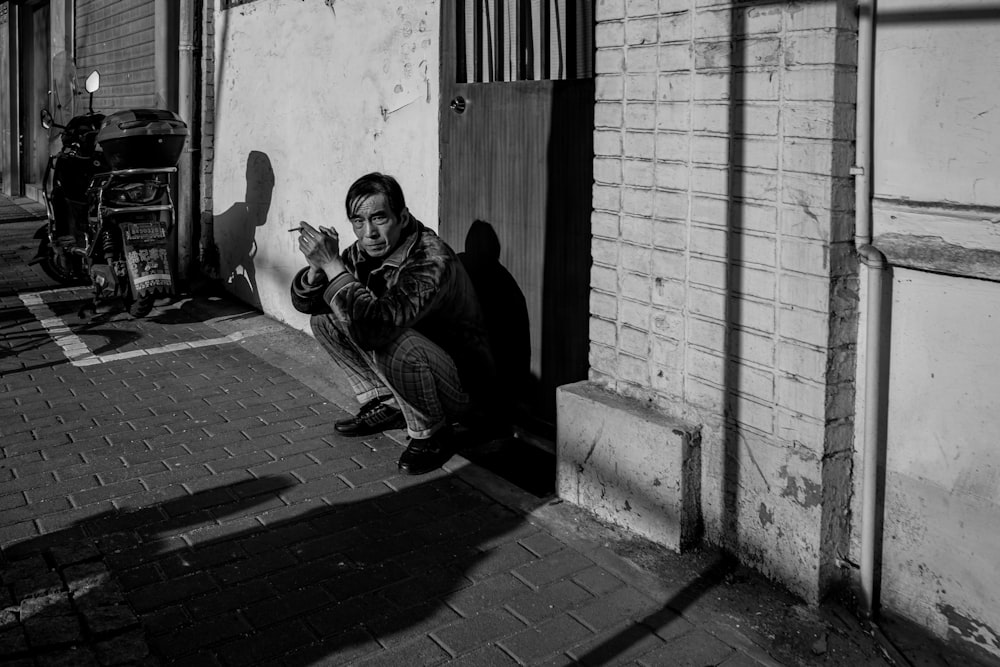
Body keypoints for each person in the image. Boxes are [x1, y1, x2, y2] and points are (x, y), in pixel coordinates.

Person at [290, 172, 496, 475]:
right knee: (325, 320)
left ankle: (434, 432)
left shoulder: (430, 260)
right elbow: (307, 304)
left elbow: (376, 330)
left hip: (461, 386)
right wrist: (317, 269)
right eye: (358, 222)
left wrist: (334, 265)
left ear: (402, 216)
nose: (369, 232)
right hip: (417, 366)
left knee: (388, 337)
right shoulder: (365, 250)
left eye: (379, 218)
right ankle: (388, 404)